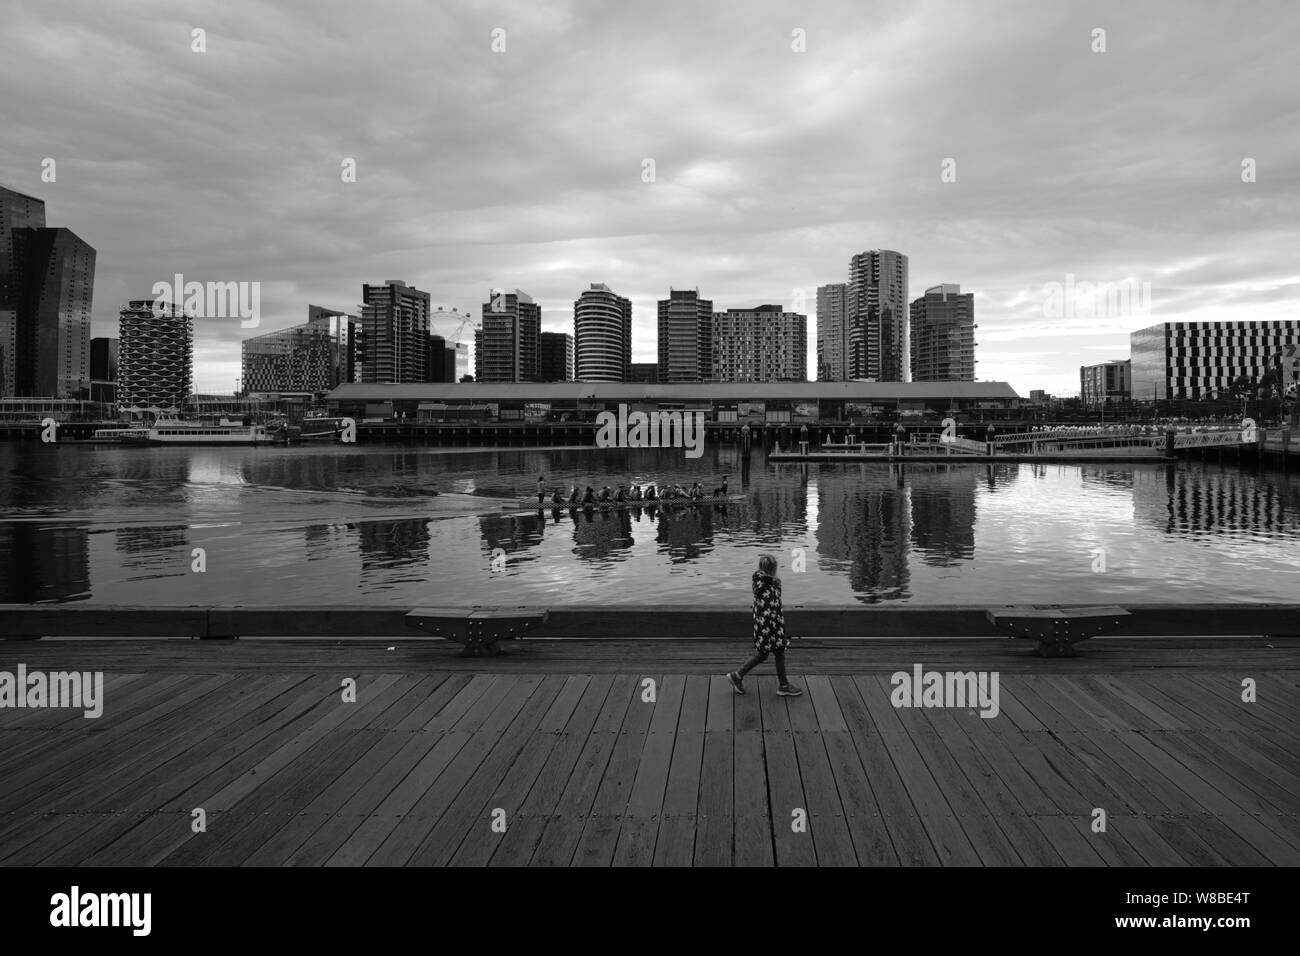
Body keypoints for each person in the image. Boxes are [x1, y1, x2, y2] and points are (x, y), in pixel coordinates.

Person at [727, 555, 802, 697]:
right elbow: (772, 611)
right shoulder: (769, 586)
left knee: (763, 654)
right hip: (771, 628)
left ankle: (738, 675)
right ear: (773, 569)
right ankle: (783, 685)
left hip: (763, 628)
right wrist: (778, 633)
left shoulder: (759, 583)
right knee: (778, 654)